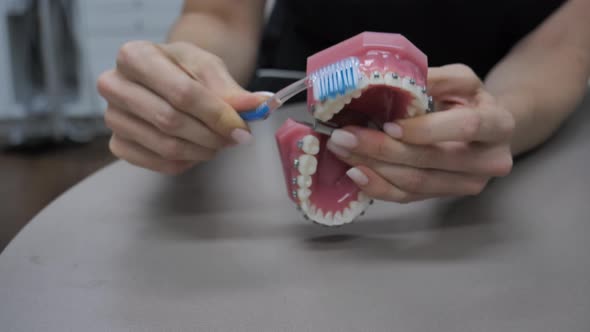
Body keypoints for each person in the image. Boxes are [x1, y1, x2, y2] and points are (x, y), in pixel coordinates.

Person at [97, 0, 590, 203]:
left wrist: (501, 117)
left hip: (522, 114)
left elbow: (562, 48)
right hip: (301, 80)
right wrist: (183, 78)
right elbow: (220, 15)